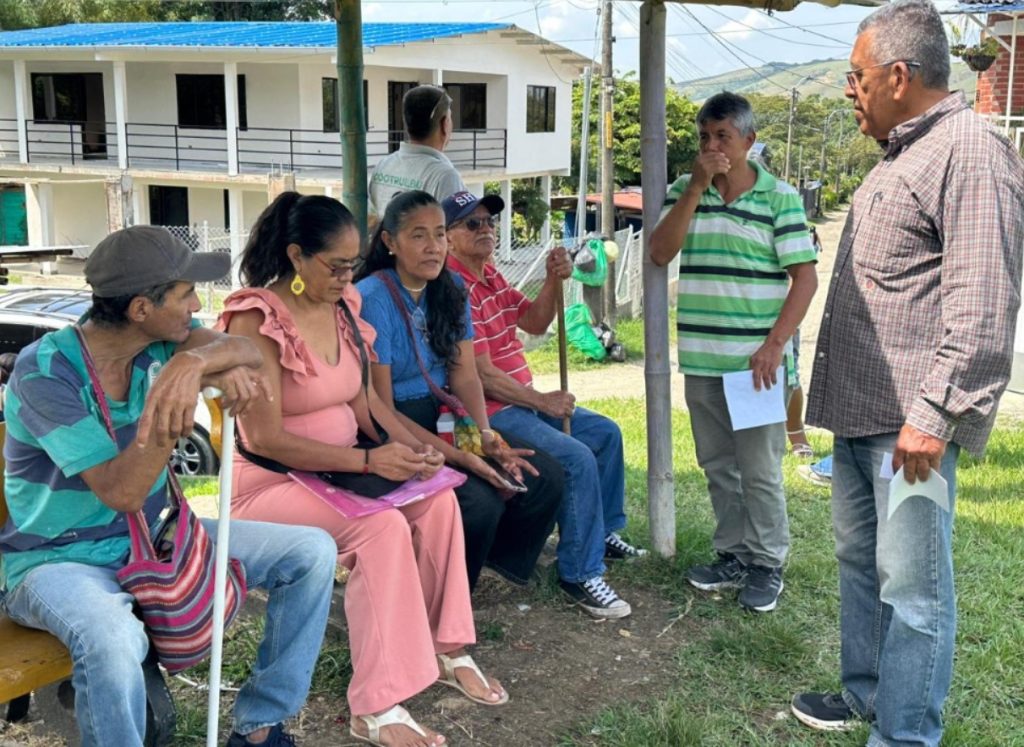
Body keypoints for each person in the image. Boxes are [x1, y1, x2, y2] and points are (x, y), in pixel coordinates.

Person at [0, 225, 338, 747]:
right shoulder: (45, 371)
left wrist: (193, 363)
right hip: (55, 558)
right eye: (185, 294)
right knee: (111, 638)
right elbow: (122, 491)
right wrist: (167, 404)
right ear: (141, 308)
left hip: (152, 536)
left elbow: (245, 349)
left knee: (311, 551)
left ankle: (260, 727)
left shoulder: (164, 341)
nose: (196, 303)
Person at [792, 1, 1024, 742]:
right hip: (863, 413)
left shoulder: (970, 149)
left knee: (915, 589)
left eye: (856, 76)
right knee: (863, 565)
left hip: (911, 423)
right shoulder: (905, 151)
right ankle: (866, 694)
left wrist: (937, 414)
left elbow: (984, 302)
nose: (847, 90)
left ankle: (904, 733)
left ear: (898, 74)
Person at [220, 192, 509, 747]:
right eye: (336, 266)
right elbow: (266, 438)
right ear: (297, 256)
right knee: (379, 530)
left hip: (338, 474)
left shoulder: (344, 307)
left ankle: (446, 645)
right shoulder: (254, 319)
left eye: (353, 265)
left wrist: (419, 452)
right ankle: (376, 704)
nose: (348, 277)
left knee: (438, 497)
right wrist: (369, 459)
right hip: (267, 483)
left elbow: (368, 407)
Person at [649, 91, 818, 613]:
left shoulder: (779, 197)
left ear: (748, 140)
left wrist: (774, 346)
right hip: (702, 357)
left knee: (760, 469)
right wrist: (695, 188)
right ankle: (734, 553)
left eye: (723, 136)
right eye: (704, 137)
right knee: (718, 464)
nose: (712, 145)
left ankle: (768, 563)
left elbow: (805, 280)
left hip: (755, 365)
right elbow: (658, 252)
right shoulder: (685, 189)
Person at [443, 191, 643, 620]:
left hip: (523, 400)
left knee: (604, 433)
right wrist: (542, 400)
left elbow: (533, 321)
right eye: (471, 224)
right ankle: (579, 572)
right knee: (574, 456)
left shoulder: (490, 276)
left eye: (489, 222)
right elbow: (480, 375)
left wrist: (553, 281)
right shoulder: (454, 288)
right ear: (447, 238)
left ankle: (602, 532)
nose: (486, 230)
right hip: (494, 411)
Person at [355, 190, 562, 593]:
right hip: (396, 423)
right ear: (389, 242)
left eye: (438, 234)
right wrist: (461, 457)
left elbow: (465, 374)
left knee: (543, 476)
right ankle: (442, 600)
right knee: (477, 502)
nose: (433, 247)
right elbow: (380, 406)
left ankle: (484, 567)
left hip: (446, 411)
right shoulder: (373, 297)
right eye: (418, 236)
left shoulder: (450, 286)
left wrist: (485, 435)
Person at [369, 85, 466, 220]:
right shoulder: (445, 177)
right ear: (444, 124)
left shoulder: (384, 165)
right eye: (450, 118)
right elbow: (455, 235)